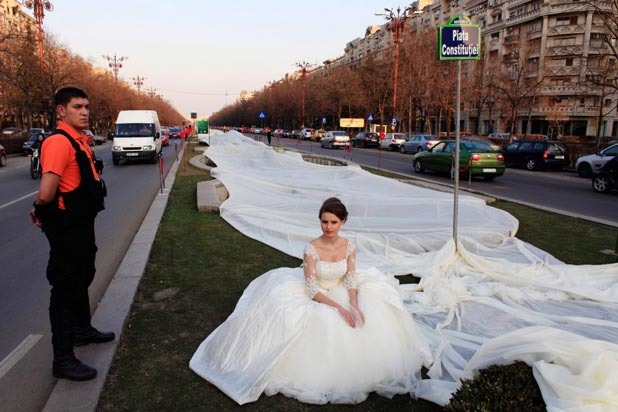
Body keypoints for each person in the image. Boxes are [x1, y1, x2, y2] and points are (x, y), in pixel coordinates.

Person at [190, 197, 432, 405]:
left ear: (343, 222)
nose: (328, 227)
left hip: (340, 289)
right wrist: (339, 308)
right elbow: (312, 289)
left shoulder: (349, 247)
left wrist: (353, 304)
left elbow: (350, 278)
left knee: (371, 317)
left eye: (334, 222)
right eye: (324, 221)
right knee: (317, 321)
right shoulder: (311, 249)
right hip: (318, 293)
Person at [29, 87, 113, 381]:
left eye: (87, 106)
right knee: (65, 289)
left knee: (83, 275)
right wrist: (40, 210)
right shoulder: (59, 142)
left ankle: (82, 330)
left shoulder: (80, 141)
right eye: (77, 106)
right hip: (66, 228)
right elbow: (46, 192)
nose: (85, 111)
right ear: (61, 111)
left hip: (81, 224)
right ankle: (63, 360)